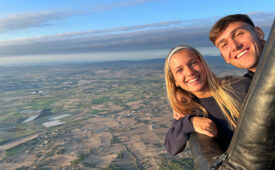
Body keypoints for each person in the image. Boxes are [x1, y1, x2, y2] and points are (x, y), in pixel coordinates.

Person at [164, 45, 250, 156]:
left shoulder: (239, 87)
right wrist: (190, 123)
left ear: (203, 64)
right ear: (175, 81)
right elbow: (171, 147)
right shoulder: (190, 109)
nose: (189, 72)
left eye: (193, 63)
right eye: (179, 70)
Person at [209, 14, 266, 79]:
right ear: (224, 58)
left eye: (239, 34)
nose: (234, 46)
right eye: (224, 45)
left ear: (259, 33)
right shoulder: (248, 87)